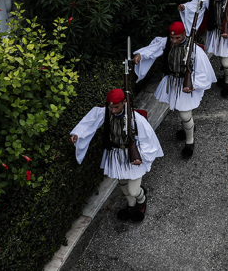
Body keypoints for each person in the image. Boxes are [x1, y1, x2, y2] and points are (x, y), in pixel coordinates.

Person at [69, 89, 163, 222]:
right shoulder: (106, 112)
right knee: (123, 184)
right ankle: (131, 204)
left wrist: (142, 157)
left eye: (116, 107)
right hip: (115, 155)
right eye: (111, 107)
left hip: (133, 156)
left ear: (125, 102)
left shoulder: (136, 118)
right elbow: (90, 122)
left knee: (134, 190)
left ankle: (141, 200)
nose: (113, 110)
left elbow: (148, 138)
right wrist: (77, 134)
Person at [133, 22, 215, 158]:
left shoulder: (194, 49)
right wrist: (141, 55)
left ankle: (190, 141)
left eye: (177, 38)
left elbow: (202, 71)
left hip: (187, 84)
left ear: (184, 34)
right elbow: (155, 48)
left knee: (184, 114)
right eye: (172, 38)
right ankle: (187, 127)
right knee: (179, 110)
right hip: (172, 82)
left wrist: (193, 84)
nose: (174, 41)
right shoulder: (168, 43)